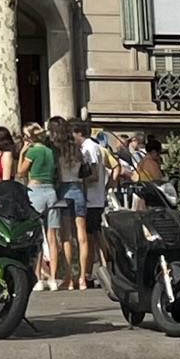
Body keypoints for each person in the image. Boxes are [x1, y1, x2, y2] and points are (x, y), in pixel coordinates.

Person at [17, 124, 60, 288]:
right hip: (51, 191)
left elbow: (21, 172)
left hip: (35, 191)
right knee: (52, 237)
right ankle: (53, 278)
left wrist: (22, 153)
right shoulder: (49, 151)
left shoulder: (32, 152)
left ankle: (38, 278)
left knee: (37, 237)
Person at [46, 116, 83, 291]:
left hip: (63, 189)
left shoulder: (56, 150)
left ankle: (69, 277)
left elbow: (56, 174)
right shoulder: (77, 148)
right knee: (81, 236)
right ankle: (82, 278)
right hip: (78, 188)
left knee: (66, 236)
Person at [74, 121, 108, 287]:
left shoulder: (90, 148)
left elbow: (93, 174)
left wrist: (78, 180)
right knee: (92, 236)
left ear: (78, 133)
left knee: (95, 234)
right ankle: (90, 272)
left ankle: (108, 265)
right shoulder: (91, 147)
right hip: (93, 198)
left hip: (92, 198)